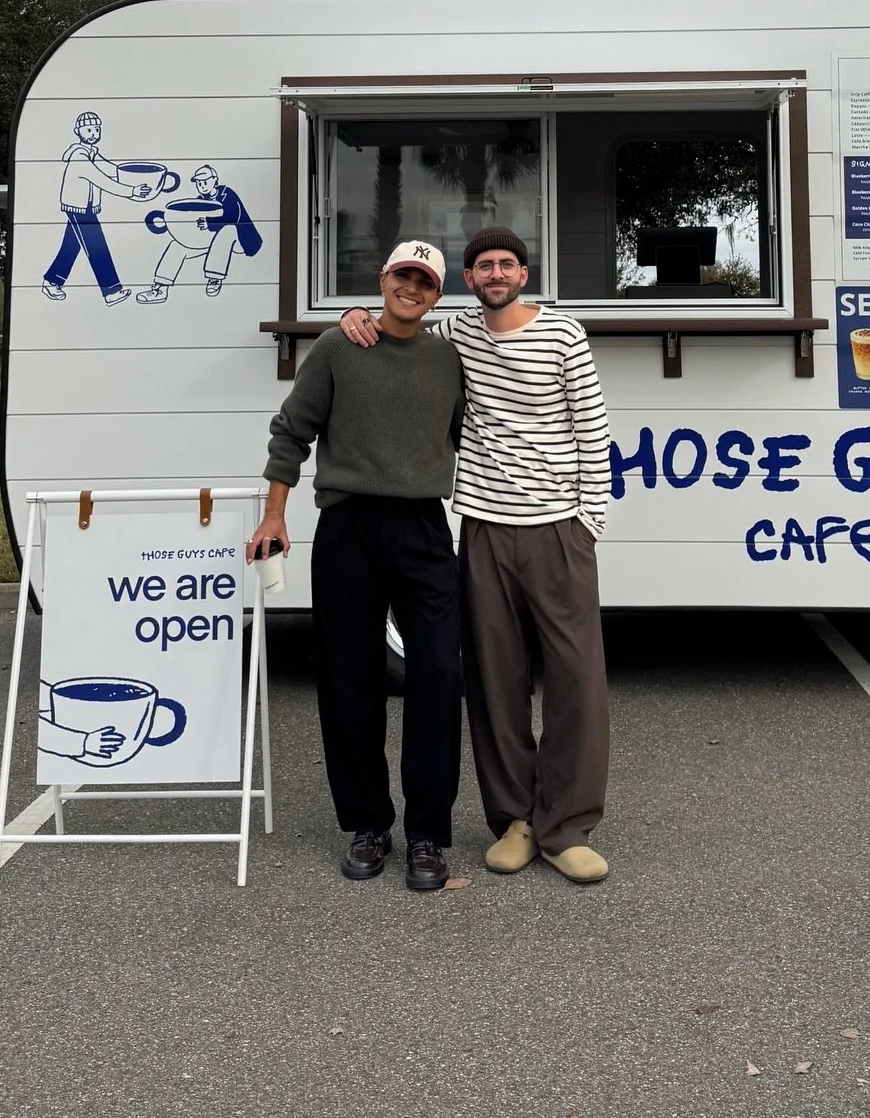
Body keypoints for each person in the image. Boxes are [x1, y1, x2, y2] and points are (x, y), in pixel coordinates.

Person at [340, 226, 613, 885]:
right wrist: (354, 316)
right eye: (483, 265)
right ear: (469, 279)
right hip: (484, 529)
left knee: (578, 682)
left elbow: (594, 427)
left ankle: (566, 826)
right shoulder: (458, 337)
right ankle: (516, 821)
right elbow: (399, 333)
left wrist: (588, 522)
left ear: (524, 273)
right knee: (495, 684)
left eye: (506, 264)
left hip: (557, 530)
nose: (495, 273)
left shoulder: (562, 334)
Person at [247, 242, 465, 891]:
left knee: (435, 674)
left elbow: (470, 432)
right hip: (349, 524)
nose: (411, 288)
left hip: (424, 525)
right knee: (350, 681)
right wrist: (274, 515)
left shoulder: (450, 358)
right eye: (403, 275)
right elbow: (292, 431)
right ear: (383, 279)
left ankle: (427, 835)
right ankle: (368, 824)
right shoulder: (339, 347)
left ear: (436, 295)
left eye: (425, 281)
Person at [42, 110, 153, 304]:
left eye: (96, 129)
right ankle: (111, 291)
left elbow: (112, 171)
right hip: (77, 207)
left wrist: (141, 176)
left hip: (86, 207)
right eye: (88, 129)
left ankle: (52, 281)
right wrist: (131, 191)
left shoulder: (93, 153)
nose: (93, 133)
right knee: (97, 247)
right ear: (78, 131)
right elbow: (103, 181)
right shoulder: (80, 157)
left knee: (71, 246)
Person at [136, 163, 262, 303]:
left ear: (214, 179)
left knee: (227, 229)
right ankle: (160, 288)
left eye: (205, 181)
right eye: (198, 183)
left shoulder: (227, 194)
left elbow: (233, 216)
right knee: (176, 245)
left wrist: (209, 222)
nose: (201, 185)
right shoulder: (200, 200)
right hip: (214, 242)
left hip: (241, 240)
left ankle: (215, 277)